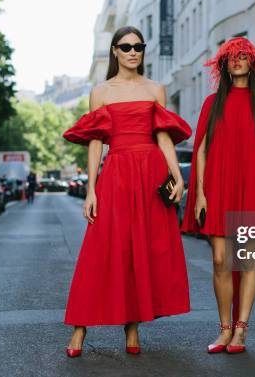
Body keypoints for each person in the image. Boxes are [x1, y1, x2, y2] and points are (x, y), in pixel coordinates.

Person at [61, 26, 192, 357]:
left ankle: (132, 327)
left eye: (139, 46)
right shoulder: (101, 92)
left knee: (142, 250)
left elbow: (163, 136)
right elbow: (94, 143)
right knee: (101, 249)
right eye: (126, 46)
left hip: (151, 174)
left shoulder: (155, 89)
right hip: (116, 173)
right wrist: (91, 189)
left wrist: (177, 176)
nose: (133, 51)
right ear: (115, 51)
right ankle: (79, 328)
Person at [181, 37, 255, 354]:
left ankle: (241, 330)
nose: (238, 60)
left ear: (253, 63)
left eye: (244, 56)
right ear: (224, 65)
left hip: (253, 187)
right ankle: (224, 329)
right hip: (217, 187)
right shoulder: (211, 104)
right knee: (219, 260)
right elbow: (200, 149)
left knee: (246, 260)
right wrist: (199, 193)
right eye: (232, 56)